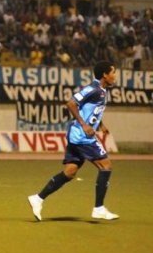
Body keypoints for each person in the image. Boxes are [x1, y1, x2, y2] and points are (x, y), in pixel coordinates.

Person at [28, 61, 119, 221]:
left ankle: (38, 198)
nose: (115, 75)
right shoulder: (93, 89)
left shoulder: (103, 91)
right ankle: (99, 208)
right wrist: (84, 125)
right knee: (106, 166)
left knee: (70, 172)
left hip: (77, 135)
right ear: (105, 75)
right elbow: (71, 103)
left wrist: (101, 125)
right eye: (113, 72)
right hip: (82, 136)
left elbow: (93, 111)